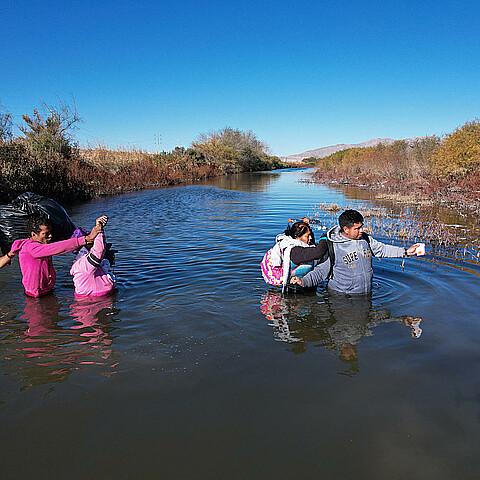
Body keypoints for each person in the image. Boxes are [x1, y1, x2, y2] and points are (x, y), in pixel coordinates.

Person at [290, 209, 421, 294]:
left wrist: (406, 252)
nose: (362, 230)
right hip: (341, 298)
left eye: (361, 226)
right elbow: (321, 271)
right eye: (357, 228)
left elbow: (382, 249)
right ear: (346, 229)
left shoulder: (365, 239)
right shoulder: (333, 245)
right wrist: (304, 281)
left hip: (366, 293)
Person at [9, 215, 102, 297]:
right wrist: (85, 239)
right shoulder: (30, 248)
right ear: (33, 234)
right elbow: (56, 248)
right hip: (35, 295)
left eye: (50, 232)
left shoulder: (41, 245)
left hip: (47, 290)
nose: (50, 236)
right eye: (46, 234)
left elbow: (60, 247)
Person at [261, 218, 328, 291]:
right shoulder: (295, 251)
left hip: (298, 288)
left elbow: (313, 246)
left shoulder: (293, 243)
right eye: (307, 236)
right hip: (297, 291)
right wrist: (323, 238)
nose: (310, 238)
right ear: (297, 236)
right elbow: (319, 252)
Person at [70, 215, 116, 297]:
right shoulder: (84, 265)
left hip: (101, 299)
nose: (95, 242)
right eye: (93, 241)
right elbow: (99, 250)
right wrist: (99, 229)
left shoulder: (86, 261)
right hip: (93, 302)